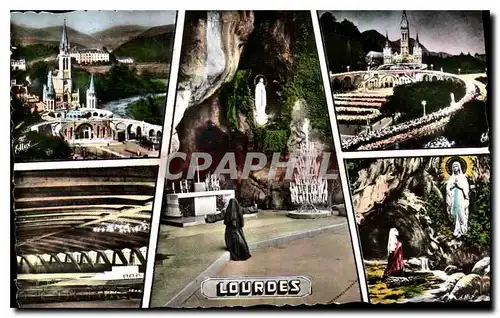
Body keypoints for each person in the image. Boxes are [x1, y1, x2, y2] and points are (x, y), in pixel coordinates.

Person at [446, 161, 470, 237]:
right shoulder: (451, 178)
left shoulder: (463, 177)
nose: (455, 168)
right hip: (453, 197)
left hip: (460, 197)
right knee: (454, 212)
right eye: (453, 167)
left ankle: (462, 230)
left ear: (459, 167)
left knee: (460, 211)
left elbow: (466, 188)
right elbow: (448, 188)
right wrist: (453, 185)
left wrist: (459, 185)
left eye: (456, 166)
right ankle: (456, 230)